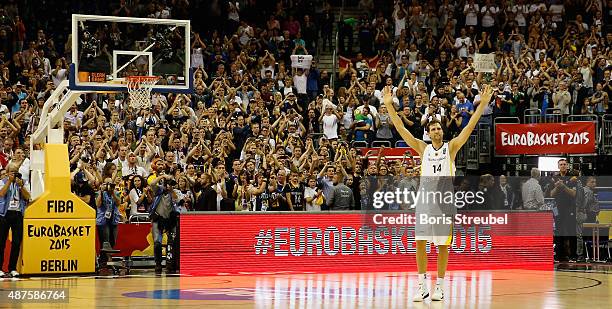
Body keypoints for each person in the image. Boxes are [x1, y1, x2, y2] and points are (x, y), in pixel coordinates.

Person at [384, 84, 493, 301]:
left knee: (443, 245)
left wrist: (482, 106)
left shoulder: (450, 148)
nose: (436, 131)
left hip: (444, 202)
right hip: (424, 201)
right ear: (428, 132)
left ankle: (440, 286)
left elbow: (469, 127)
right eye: (433, 128)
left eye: (439, 128)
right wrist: (389, 105)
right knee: (420, 242)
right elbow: (401, 129)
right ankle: (422, 285)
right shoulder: (422, 148)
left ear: (442, 131)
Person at [0, 163, 31, 277]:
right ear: (7, 173)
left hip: (17, 213)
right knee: (1, 241)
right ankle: (0, 268)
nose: (14, 174)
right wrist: (9, 181)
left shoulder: (22, 182)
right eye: (12, 172)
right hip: (4, 213)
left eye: (16, 171)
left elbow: (28, 197)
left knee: (17, 242)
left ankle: (12, 268)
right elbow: (1, 193)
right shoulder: (2, 181)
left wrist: (21, 186)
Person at [148, 174, 180, 274]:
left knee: (172, 242)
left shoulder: (174, 192)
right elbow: (152, 183)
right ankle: (158, 263)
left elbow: (177, 200)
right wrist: (162, 176)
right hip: (158, 219)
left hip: (171, 219)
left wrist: (171, 190)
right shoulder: (159, 190)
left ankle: (170, 263)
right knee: (157, 242)